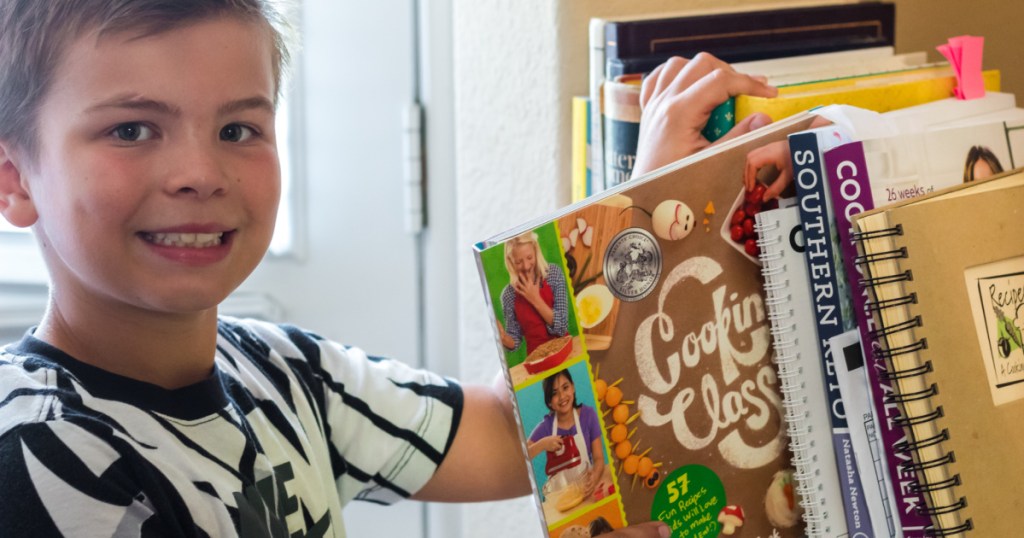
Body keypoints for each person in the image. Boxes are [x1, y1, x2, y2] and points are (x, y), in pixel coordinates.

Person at [0, 1, 773, 535]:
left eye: (239, 127)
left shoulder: (285, 371)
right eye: (132, 129)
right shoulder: (37, 456)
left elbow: (520, 431)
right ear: (15, 179)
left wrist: (644, 206)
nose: (200, 173)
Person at [527, 369, 605, 497]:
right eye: (554, 393)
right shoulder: (546, 427)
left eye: (565, 387)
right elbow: (523, 457)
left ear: (573, 387)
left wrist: (595, 476)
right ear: (549, 402)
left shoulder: (588, 415)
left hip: (585, 490)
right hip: (561, 497)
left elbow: (599, 458)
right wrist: (543, 444)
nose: (562, 396)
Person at [497, 231, 569, 356]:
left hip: (564, 350)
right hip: (536, 358)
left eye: (529, 257)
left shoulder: (553, 274)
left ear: (536, 250)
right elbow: (515, 339)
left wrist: (535, 299)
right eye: (518, 262)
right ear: (510, 261)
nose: (526, 266)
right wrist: (503, 338)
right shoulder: (508, 295)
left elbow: (562, 327)